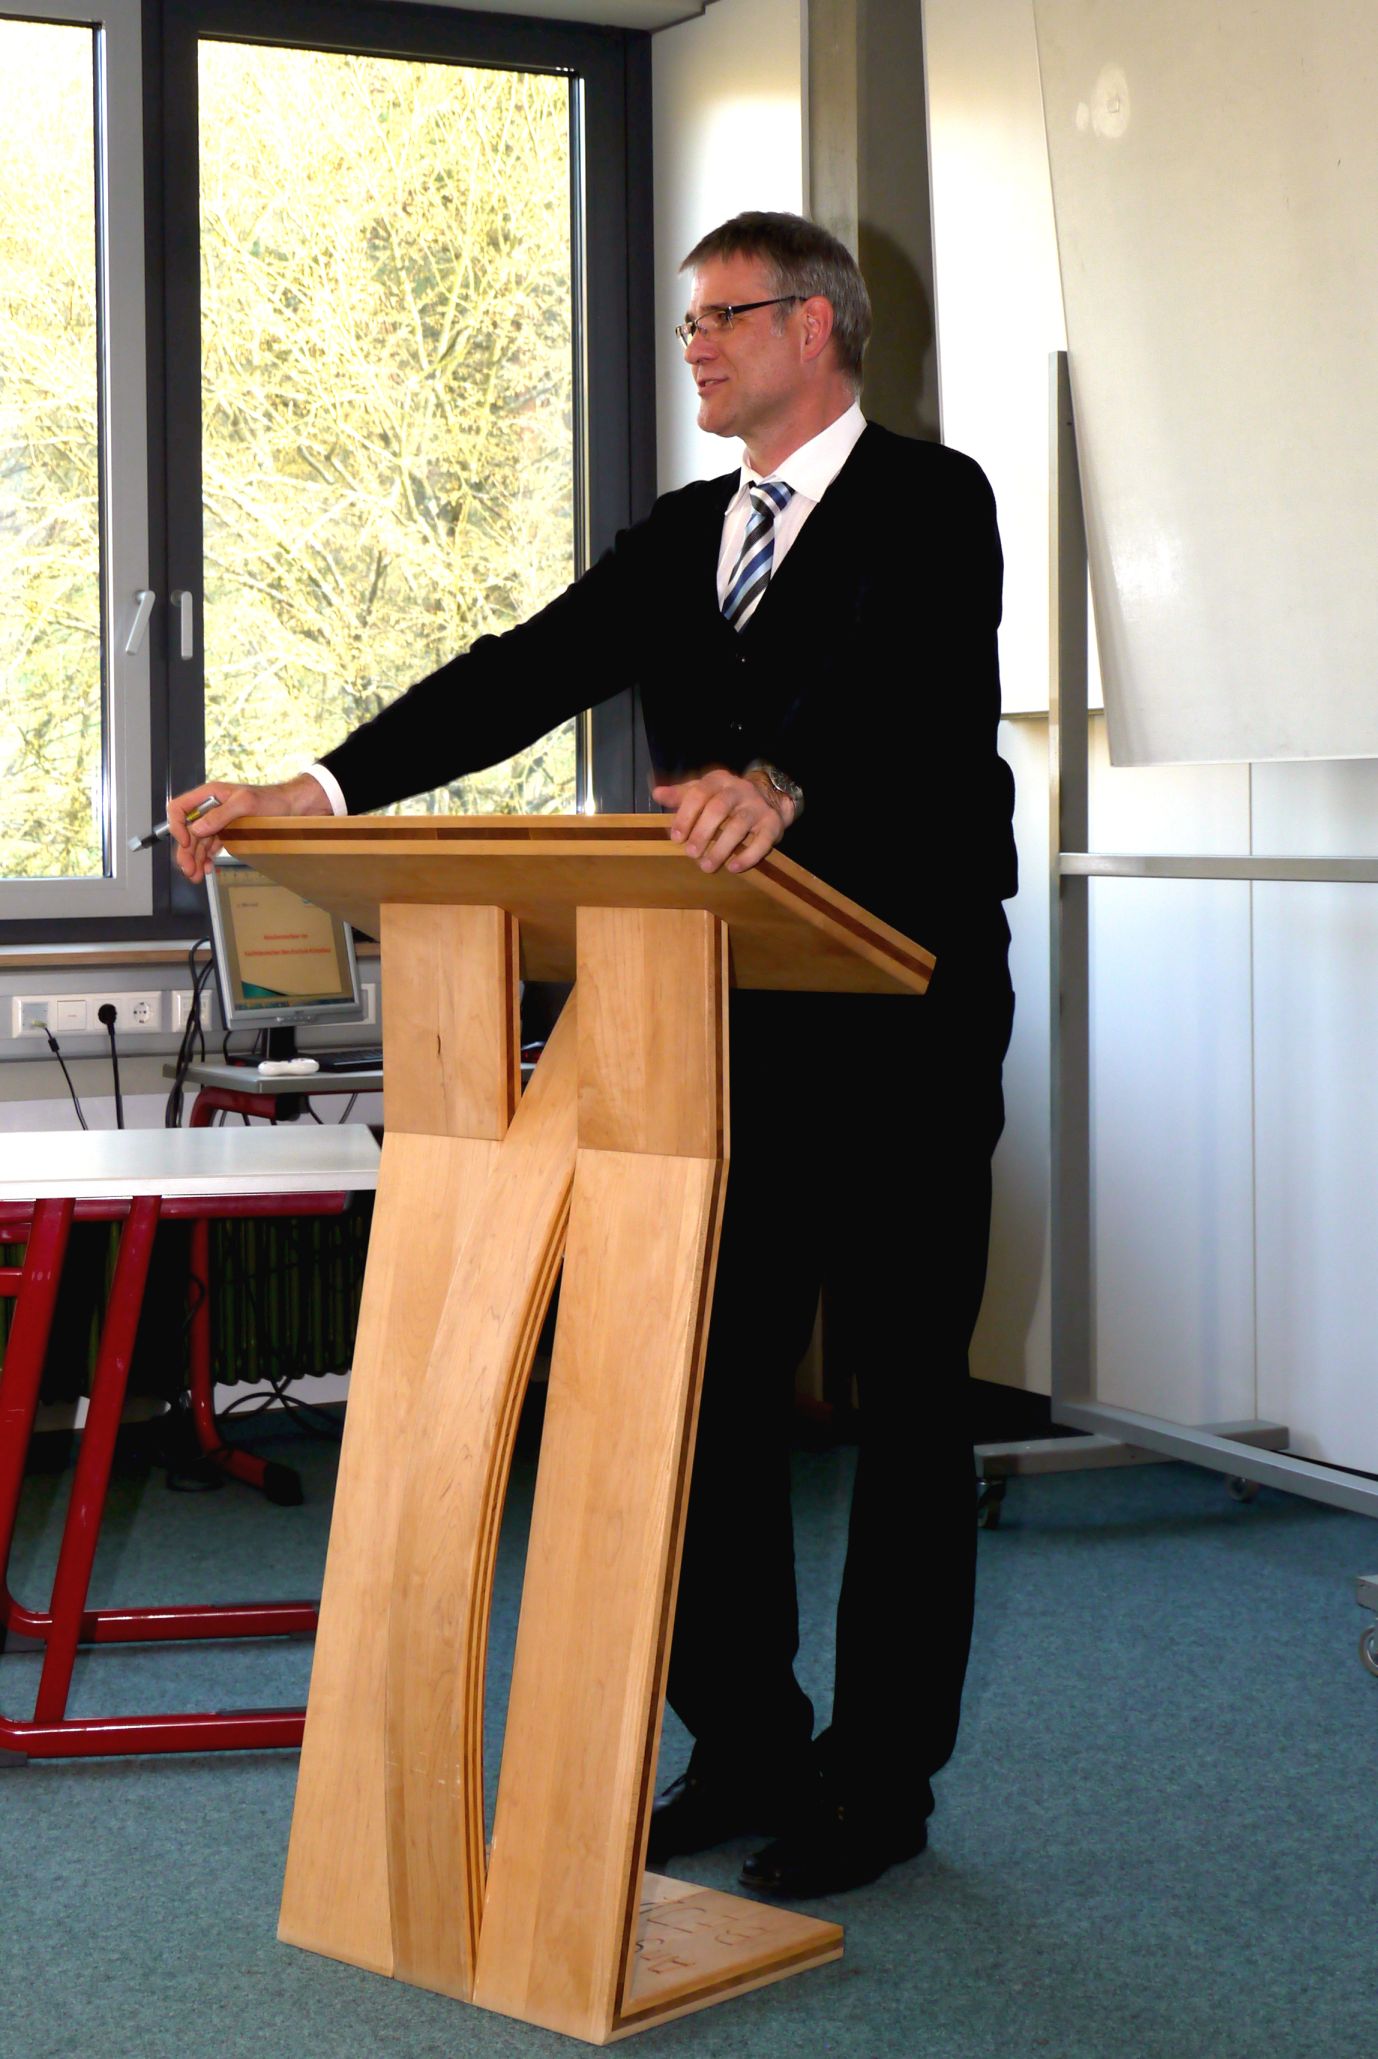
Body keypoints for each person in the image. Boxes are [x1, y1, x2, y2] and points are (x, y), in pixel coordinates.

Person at [171, 211, 1016, 1900]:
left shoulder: (932, 499)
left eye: (722, 316)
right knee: (697, 1387)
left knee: (906, 1399)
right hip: (708, 1013)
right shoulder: (689, 532)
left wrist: (781, 783)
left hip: (901, 1009)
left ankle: (880, 1782)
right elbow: (525, 670)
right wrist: (317, 790)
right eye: (685, 319)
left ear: (816, 328)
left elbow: (900, 681)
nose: (692, 343)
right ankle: (747, 1742)